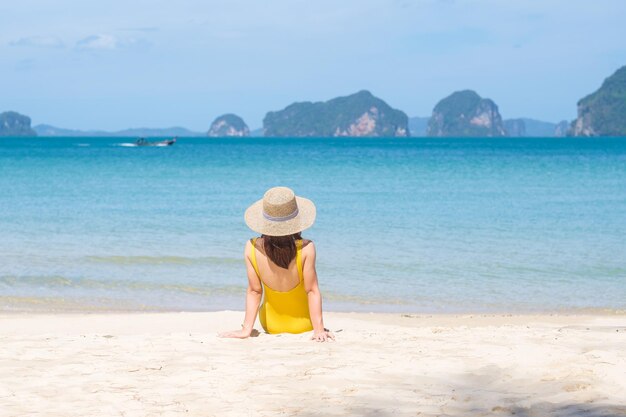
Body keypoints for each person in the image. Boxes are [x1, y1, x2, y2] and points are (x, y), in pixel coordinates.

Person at [219, 186, 334, 342]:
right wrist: (319, 330)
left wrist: (246, 329)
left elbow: (254, 291)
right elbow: (312, 291)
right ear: (296, 220)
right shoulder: (307, 248)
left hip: (270, 324)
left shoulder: (251, 247)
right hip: (304, 324)